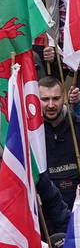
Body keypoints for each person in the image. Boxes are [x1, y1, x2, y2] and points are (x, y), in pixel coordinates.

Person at [40, 74, 80, 205]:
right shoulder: (31, 135)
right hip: (47, 213)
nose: (51, 105)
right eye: (45, 99)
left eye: (55, 98)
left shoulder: (77, 126)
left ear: (64, 98)